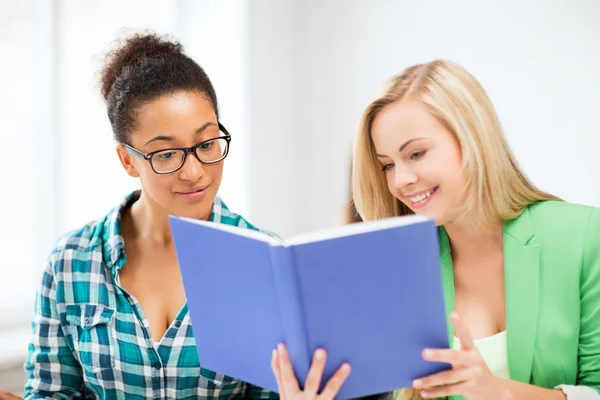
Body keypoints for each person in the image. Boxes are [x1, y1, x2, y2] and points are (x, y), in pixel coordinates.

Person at [272, 59, 600, 400]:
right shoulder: (399, 268)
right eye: (387, 164)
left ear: (473, 138)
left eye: (417, 153)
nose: (400, 181)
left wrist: (499, 392)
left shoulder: (582, 236)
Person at [9, 31, 284, 400]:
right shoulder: (71, 262)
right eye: (166, 154)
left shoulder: (264, 261)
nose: (194, 172)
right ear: (127, 160)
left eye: (206, 144)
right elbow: (51, 390)